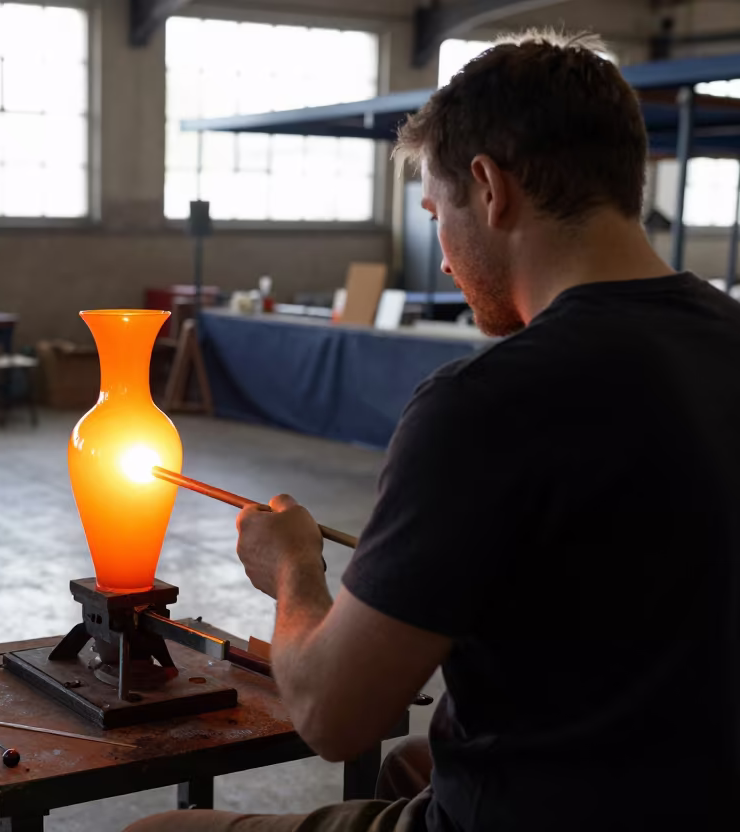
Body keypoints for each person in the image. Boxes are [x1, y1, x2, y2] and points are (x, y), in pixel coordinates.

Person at [127, 29, 740, 832]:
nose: (445, 258)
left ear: (489, 188)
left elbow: (331, 714)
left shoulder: (485, 405)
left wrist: (296, 573)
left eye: (435, 210)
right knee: (409, 763)